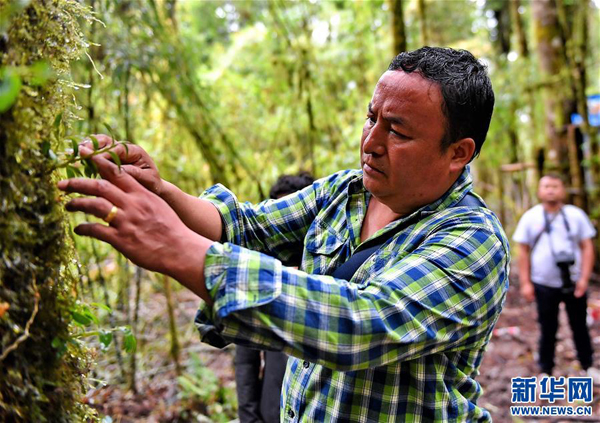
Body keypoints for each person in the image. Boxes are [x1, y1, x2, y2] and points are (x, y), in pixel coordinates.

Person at [59, 47, 509, 421]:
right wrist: (162, 191)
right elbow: (248, 227)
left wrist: (180, 248)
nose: (371, 141)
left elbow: (360, 323)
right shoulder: (345, 192)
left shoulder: (473, 242)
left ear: (457, 153)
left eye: (398, 131)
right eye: (372, 118)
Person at [235, 172, 314, 423]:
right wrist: (249, 416)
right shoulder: (262, 274)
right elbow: (246, 360)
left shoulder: (333, 269)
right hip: (271, 412)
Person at [514, 174, 597, 378]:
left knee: (580, 326)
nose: (551, 190)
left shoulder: (575, 215)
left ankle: (588, 366)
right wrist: (526, 283)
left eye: (555, 186)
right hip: (543, 283)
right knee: (547, 328)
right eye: (546, 186)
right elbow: (522, 250)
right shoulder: (531, 217)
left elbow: (587, 247)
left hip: (574, 282)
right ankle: (546, 371)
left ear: (563, 189)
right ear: (539, 190)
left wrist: (584, 279)